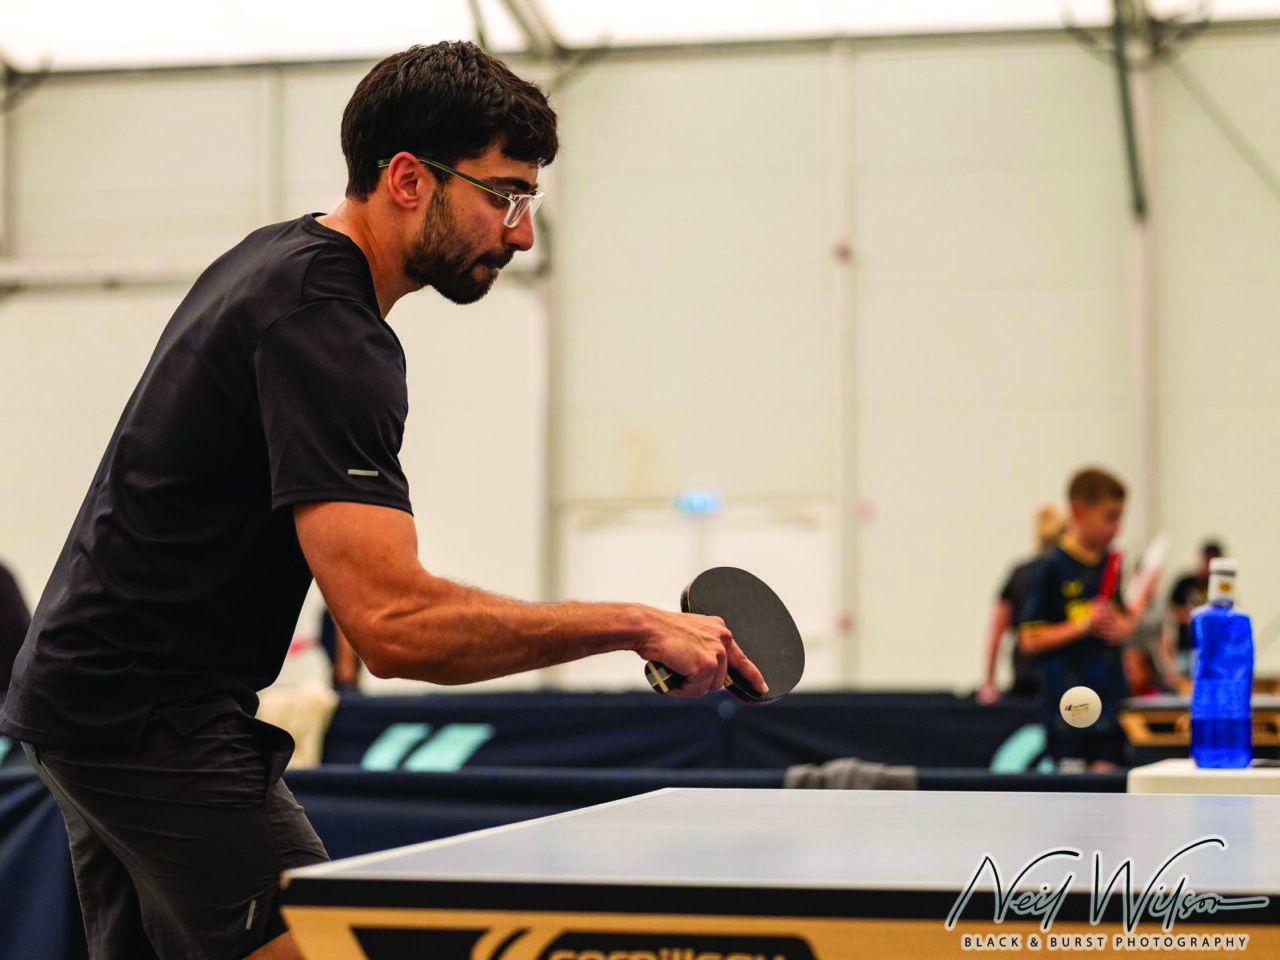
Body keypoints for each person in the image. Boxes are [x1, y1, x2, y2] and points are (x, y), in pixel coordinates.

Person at [0, 43, 764, 960]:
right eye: (504, 196)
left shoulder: (277, 261)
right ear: (408, 179)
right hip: (145, 719)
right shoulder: (326, 328)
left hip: (86, 702)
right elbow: (395, 626)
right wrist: (634, 624)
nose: (522, 234)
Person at [1019, 468, 1137, 771]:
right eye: (1110, 517)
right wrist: (1083, 625)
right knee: (1075, 791)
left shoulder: (1111, 563)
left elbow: (1121, 620)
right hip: (1066, 710)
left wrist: (1122, 626)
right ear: (1079, 511)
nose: (1117, 527)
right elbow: (1029, 639)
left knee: (1108, 789)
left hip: (1111, 705)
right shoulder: (1050, 566)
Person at [977, 504, 1066, 704]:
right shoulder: (1064, 575)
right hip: (1050, 678)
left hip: (1036, 677)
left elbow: (996, 633)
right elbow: (998, 632)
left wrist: (989, 681)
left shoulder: (1021, 573)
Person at [1162, 540, 1224, 681]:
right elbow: (1171, 610)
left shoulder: (1218, 588)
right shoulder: (1185, 582)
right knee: (1184, 681)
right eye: (1207, 561)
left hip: (1211, 648)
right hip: (1185, 647)